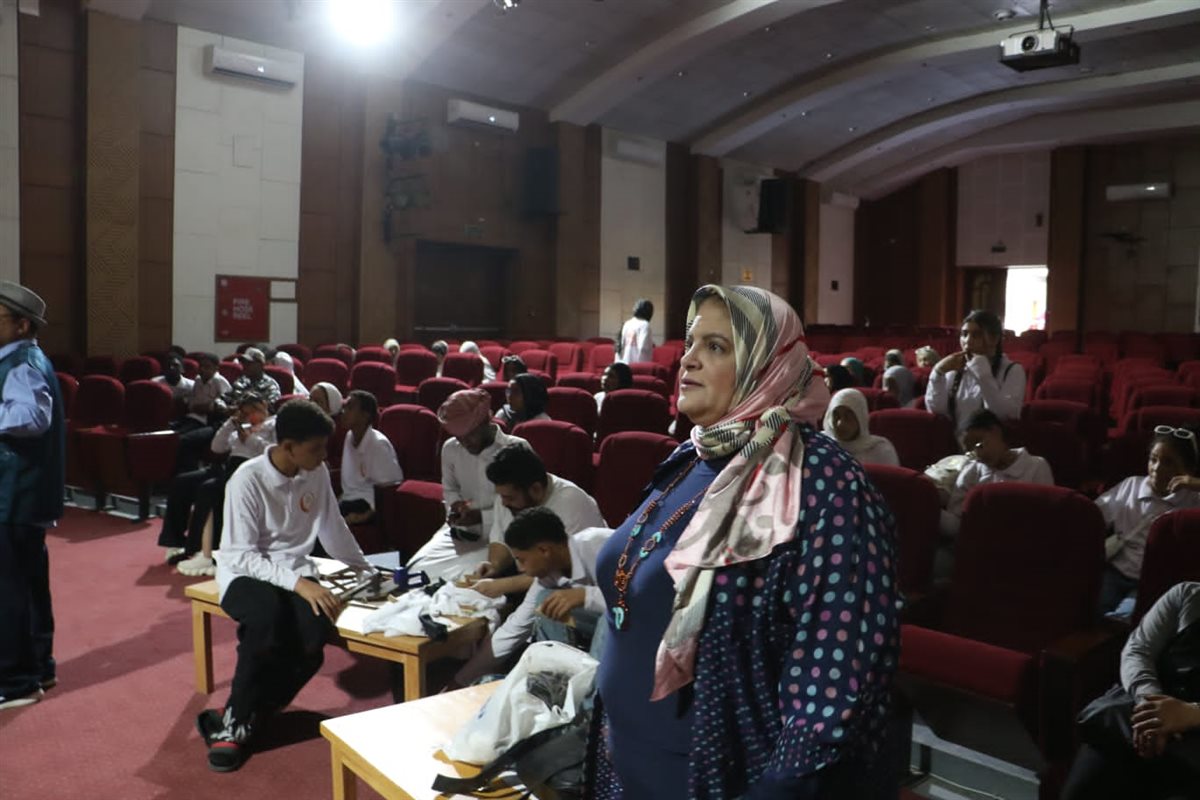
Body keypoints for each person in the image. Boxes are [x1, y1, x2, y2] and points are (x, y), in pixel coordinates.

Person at [592, 284, 899, 799]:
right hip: (624, 765)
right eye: (691, 342)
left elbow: (834, 685)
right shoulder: (687, 458)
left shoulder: (826, 484)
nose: (688, 359)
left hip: (716, 780)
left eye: (715, 347)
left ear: (768, 367)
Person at [196, 399, 377, 772]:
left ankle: (248, 714)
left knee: (313, 635)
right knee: (267, 618)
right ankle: (235, 723)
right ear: (288, 446)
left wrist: (365, 569)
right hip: (243, 572)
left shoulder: (316, 472)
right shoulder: (247, 478)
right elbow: (241, 554)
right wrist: (300, 585)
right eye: (317, 448)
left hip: (293, 570)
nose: (324, 456)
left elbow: (333, 528)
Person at [1061, 581, 1200, 800]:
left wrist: (1191, 714)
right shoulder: (1187, 594)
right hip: (1137, 717)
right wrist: (1151, 705)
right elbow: (1138, 651)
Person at [448, 507, 611, 689]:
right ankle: (557, 685)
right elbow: (516, 628)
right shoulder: (548, 575)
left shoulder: (602, 546)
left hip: (632, 632)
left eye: (521, 559)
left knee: (607, 620)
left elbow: (634, 600)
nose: (520, 569)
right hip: (603, 628)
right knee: (545, 601)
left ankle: (592, 694)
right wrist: (461, 681)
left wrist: (586, 595)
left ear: (544, 550)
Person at [0, 282, 65, 711]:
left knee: (10, 591)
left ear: (22, 325)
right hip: (21, 492)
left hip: (14, 493)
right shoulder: (20, 360)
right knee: (28, 585)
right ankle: (39, 666)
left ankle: (16, 680)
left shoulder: (22, 363)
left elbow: (31, 416)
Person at [406, 389, 531, 580]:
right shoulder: (451, 448)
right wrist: (456, 508)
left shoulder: (516, 448)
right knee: (415, 572)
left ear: (486, 421)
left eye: (470, 435)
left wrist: (481, 517)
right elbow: (450, 489)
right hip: (459, 533)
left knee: (463, 582)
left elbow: (524, 506)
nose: (464, 442)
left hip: (504, 537)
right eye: (459, 437)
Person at [1094, 427, 1200, 615]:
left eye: (1168, 462)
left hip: (1154, 581)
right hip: (1115, 572)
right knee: (1092, 608)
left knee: (1126, 617)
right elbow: (1092, 515)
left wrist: (1196, 484)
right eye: (1153, 459)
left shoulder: (1193, 500)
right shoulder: (1132, 485)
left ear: (1188, 470)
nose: (1157, 468)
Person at [174, 394, 277, 576]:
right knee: (191, 483)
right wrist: (231, 423)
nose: (250, 416)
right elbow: (216, 447)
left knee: (209, 490)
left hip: (254, 470)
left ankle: (203, 550)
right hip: (230, 467)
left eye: (253, 411)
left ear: (264, 406)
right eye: (245, 413)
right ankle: (194, 547)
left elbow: (274, 451)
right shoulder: (241, 427)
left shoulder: (273, 424)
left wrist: (251, 440)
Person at [938, 409, 1054, 539]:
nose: (979, 454)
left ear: (996, 432)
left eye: (979, 445)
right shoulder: (971, 472)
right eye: (972, 452)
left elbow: (1046, 519)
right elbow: (958, 524)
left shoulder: (1036, 466)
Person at [925, 310, 1025, 435]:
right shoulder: (956, 369)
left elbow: (1004, 414)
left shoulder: (1012, 370)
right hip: (957, 443)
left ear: (994, 339)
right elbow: (937, 410)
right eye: (964, 334)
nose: (967, 341)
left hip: (992, 443)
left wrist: (983, 374)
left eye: (976, 335)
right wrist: (937, 373)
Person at [338, 390, 402, 525]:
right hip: (348, 499)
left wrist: (364, 516)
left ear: (365, 415)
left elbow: (389, 489)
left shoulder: (378, 444)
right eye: (344, 407)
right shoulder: (349, 436)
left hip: (367, 503)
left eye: (350, 408)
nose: (343, 412)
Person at [822, 388, 900, 466]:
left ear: (861, 418)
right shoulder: (821, 444)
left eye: (848, 417)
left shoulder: (881, 451)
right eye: (836, 416)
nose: (840, 423)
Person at [618, 299, 655, 364]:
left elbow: (621, 346)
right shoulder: (645, 325)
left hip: (625, 363)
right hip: (638, 366)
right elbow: (643, 348)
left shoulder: (627, 323)